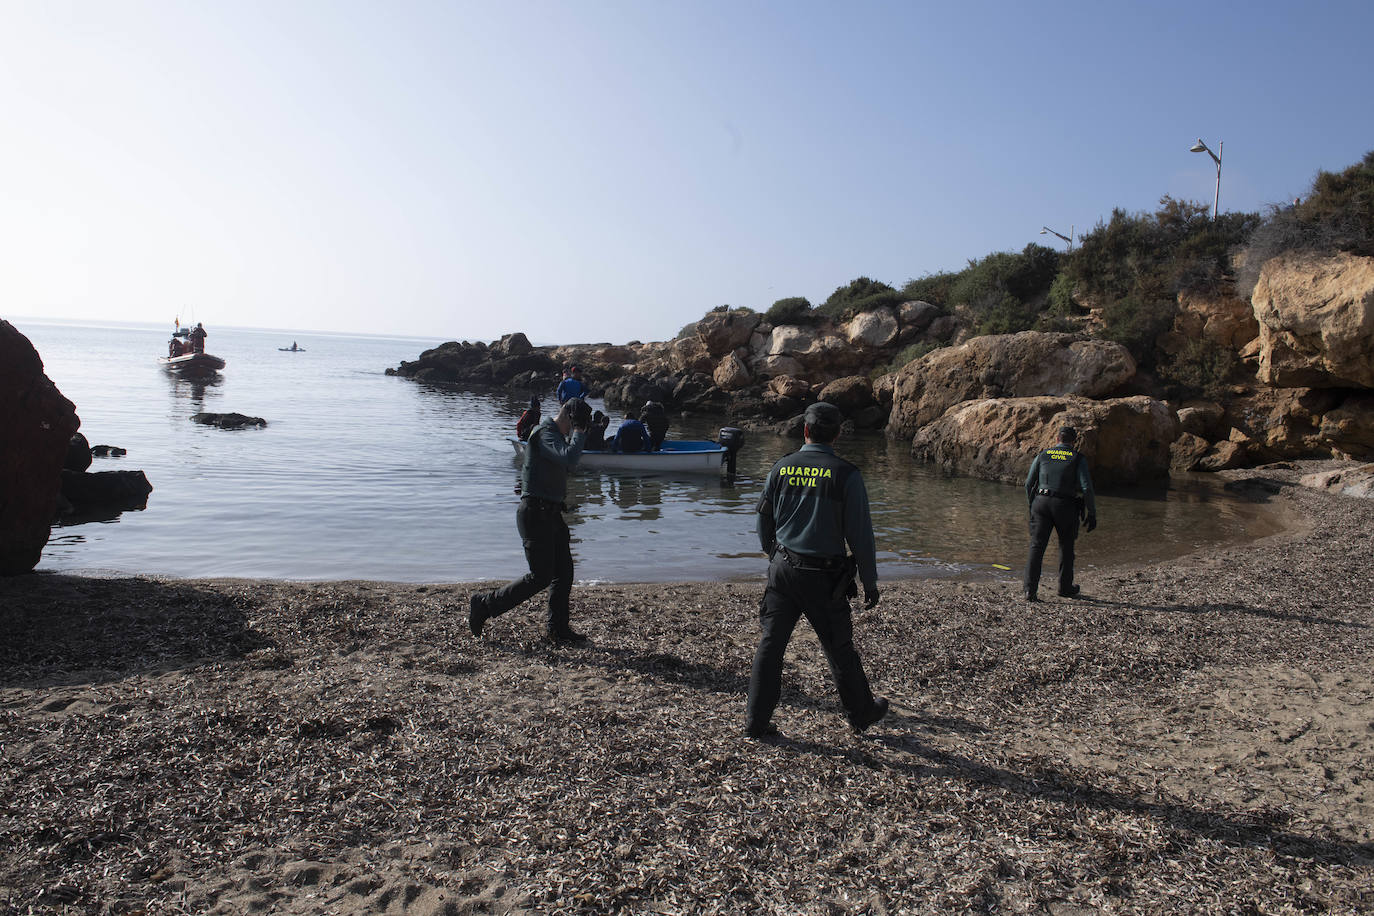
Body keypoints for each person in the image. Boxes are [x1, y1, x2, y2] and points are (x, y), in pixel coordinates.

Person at [747, 402, 888, 740]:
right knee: (839, 648)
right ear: (837, 435)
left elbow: (763, 517)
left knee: (771, 645)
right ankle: (861, 713)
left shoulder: (781, 468)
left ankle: (756, 722)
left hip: (783, 571)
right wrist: (869, 581)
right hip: (824, 579)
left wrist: (772, 552)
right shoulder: (846, 474)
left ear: (805, 430)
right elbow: (860, 535)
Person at [469, 397, 593, 643]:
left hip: (552, 514)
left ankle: (557, 629)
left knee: (564, 573)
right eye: (578, 424)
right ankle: (484, 604)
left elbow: (566, 463)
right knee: (540, 576)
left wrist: (579, 433)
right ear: (570, 417)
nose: (577, 430)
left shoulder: (556, 436)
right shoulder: (545, 434)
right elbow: (570, 459)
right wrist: (579, 432)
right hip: (535, 514)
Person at [1023, 425, 1097, 601]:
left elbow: (1028, 483)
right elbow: (1086, 488)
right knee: (1066, 546)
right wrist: (1092, 512)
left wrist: (1032, 505)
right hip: (1065, 505)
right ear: (1074, 442)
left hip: (1041, 502)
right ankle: (1065, 588)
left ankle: (1029, 591)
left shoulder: (1043, 455)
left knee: (1036, 546)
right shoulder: (1077, 458)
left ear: (1057, 439)